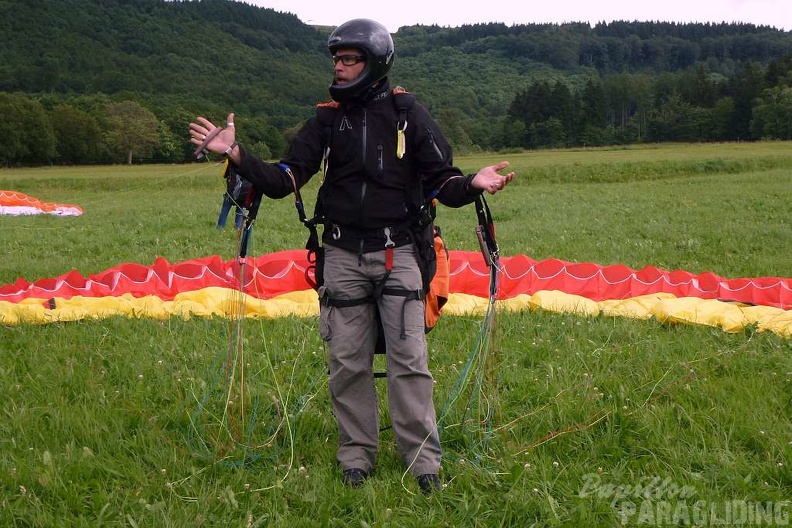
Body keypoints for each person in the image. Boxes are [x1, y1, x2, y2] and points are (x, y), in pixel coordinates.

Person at [189, 18, 515, 493]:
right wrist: (237, 154)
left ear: (374, 61)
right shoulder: (326, 118)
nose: (339, 68)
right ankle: (357, 455)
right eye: (336, 60)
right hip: (341, 253)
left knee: (409, 359)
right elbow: (286, 178)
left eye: (349, 59)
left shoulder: (407, 113)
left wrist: (472, 184)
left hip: (398, 251)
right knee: (346, 360)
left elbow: (441, 179)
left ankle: (423, 463)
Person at [216, 160, 250, 230]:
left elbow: (225, 175)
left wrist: (227, 163)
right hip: (244, 192)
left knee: (225, 210)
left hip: (232, 192)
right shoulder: (247, 161)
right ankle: (237, 228)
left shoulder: (230, 162)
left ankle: (220, 228)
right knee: (240, 210)